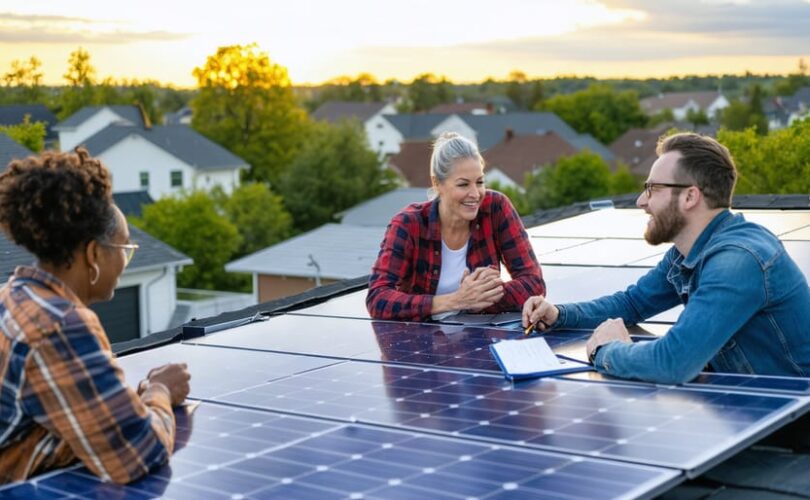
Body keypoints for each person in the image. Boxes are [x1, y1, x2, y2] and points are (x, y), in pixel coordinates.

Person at [523, 132, 810, 385]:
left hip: (794, 430)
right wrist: (560, 314)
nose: (641, 201)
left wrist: (606, 351)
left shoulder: (737, 261)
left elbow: (673, 362)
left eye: (653, 189)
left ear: (690, 197)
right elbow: (632, 303)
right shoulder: (688, 253)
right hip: (759, 409)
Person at [0, 148, 191, 484]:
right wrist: (159, 390)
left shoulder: (11, 297)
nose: (124, 263)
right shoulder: (60, 326)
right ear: (93, 255)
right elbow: (137, 453)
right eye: (124, 250)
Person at [367, 132, 545, 321]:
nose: (475, 194)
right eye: (463, 185)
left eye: (480, 182)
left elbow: (534, 283)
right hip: (422, 341)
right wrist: (457, 300)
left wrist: (482, 297)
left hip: (481, 337)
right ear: (437, 183)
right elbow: (378, 298)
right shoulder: (408, 225)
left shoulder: (496, 208)